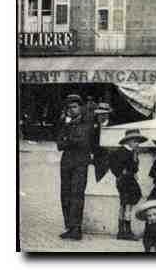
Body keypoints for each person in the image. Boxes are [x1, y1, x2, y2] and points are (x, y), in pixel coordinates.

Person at [56, 93, 94, 241]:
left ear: (81, 107)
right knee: (65, 194)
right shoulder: (66, 124)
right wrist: (70, 140)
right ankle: (69, 227)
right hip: (66, 162)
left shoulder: (87, 124)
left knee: (77, 195)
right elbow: (59, 144)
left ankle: (76, 228)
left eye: (74, 107)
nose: (72, 110)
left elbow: (82, 142)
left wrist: (68, 140)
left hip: (80, 163)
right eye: (69, 107)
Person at [109, 128, 147, 240]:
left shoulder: (133, 153)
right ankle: (124, 231)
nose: (137, 144)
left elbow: (134, 168)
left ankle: (124, 230)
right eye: (135, 141)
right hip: (124, 181)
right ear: (128, 141)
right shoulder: (121, 152)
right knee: (126, 204)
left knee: (128, 203)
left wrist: (133, 171)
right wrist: (120, 173)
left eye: (138, 142)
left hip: (130, 180)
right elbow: (113, 163)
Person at [91, 102, 112, 183]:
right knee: (100, 180)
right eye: (99, 114)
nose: (101, 116)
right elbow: (91, 142)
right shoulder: (94, 127)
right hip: (98, 158)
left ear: (108, 115)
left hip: (111, 157)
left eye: (103, 114)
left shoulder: (113, 126)